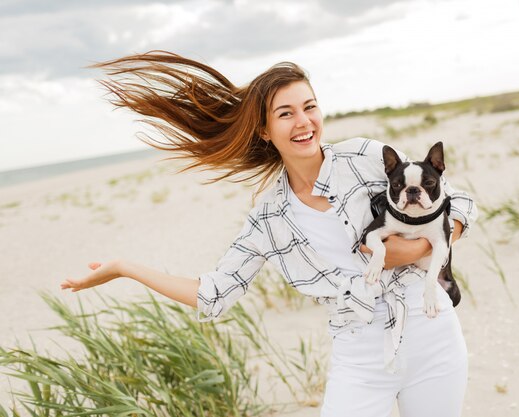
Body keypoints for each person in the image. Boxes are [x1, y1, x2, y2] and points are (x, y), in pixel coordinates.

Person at [61, 51, 477, 417]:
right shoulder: (268, 218)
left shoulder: (365, 156)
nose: (304, 122)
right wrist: (125, 268)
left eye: (309, 107)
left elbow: (460, 204)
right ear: (264, 130)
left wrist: (418, 248)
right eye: (286, 113)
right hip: (361, 356)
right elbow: (212, 294)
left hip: (432, 335)